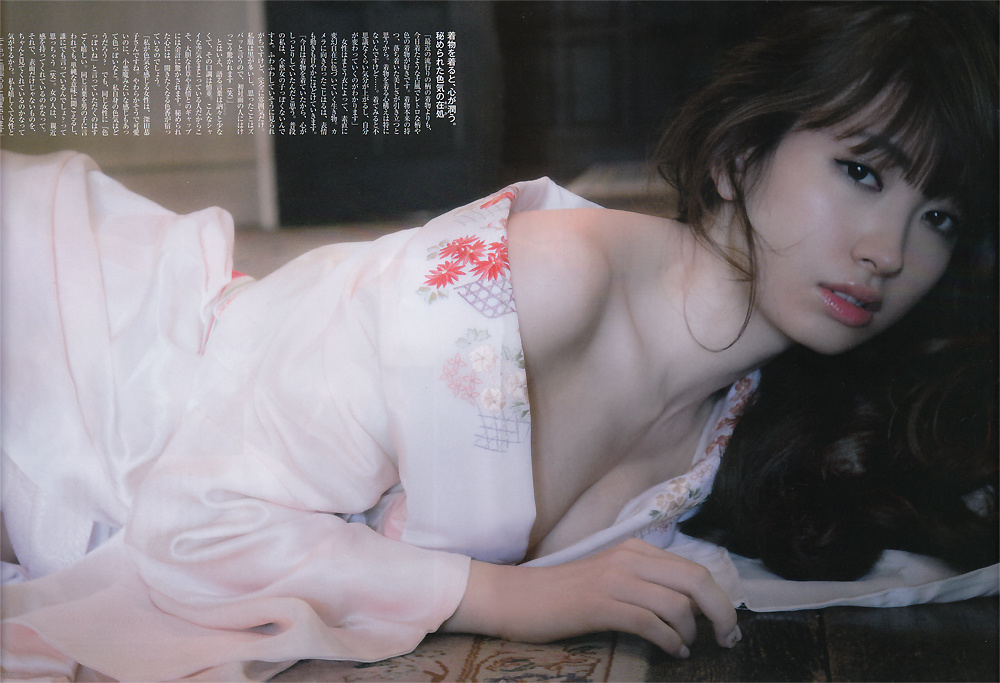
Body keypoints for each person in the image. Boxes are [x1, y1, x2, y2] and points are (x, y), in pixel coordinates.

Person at [1, 2, 996, 680]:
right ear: (738, 158)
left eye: (939, 216)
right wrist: (516, 598)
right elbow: (192, 521)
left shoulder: (733, 414)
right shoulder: (542, 285)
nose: (887, 250)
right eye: (861, 172)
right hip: (74, 351)